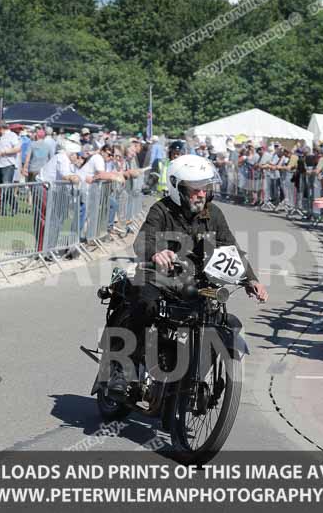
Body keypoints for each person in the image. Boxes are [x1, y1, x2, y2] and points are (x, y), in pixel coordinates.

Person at [106, 155, 268, 395]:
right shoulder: (161, 209)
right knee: (145, 302)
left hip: (197, 285)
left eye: (205, 188)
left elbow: (230, 249)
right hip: (159, 279)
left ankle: (192, 380)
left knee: (227, 323)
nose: (201, 194)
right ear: (177, 187)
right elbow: (143, 240)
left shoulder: (213, 214)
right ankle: (122, 369)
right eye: (195, 189)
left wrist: (251, 279)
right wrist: (155, 253)